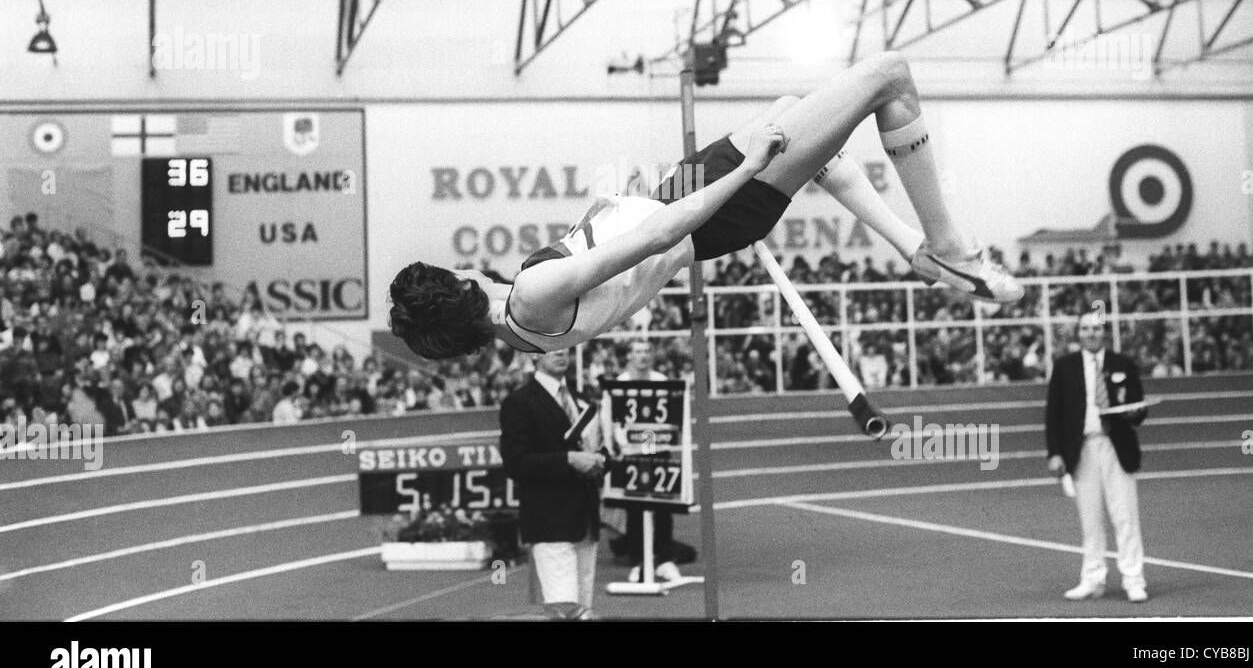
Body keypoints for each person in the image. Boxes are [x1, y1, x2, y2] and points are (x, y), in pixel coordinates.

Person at [390, 52, 1024, 388]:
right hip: (705, 212)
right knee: (890, 77)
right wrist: (746, 171)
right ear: (456, 284)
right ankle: (947, 248)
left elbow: (608, 251)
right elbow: (659, 238)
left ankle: (913, 247)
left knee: (791, 109)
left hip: (675, 190)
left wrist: (613, 202)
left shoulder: (522, 324)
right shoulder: (529, 297)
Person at [1045, 310, 1149, 603]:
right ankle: (1092, 578)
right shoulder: (1064, 367)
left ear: (1105, 332)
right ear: (1079, 333)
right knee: (1090, 519)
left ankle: (1133, 579)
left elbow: (1139, 409)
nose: (1091, 333)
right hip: (1082, 449)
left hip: (1117, 447)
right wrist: (1055, 453)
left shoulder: (1122, 364)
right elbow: (1053, 414)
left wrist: (1135, 412)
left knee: (1125, 516)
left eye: (1097, 328)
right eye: (1086, 329)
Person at [499, 348, 605, 620]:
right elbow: (515, 463)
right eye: (549, 348)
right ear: (533, 355)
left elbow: (600, 451)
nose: (560, 352)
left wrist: (600, 461)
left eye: (565, 347)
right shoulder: (519, 402)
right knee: (565, 609)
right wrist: (568, 459)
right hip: (549, 519)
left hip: (585, 520)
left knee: (583, 607)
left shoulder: (583, 402)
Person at [609, 339, 694, 572]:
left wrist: (651, 444)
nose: (643, 355)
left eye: (647, 351)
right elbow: (615, 422)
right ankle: (639, 561)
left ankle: (665, 559)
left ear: (653, 356)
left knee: (663, 510)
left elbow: (670, 419)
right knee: (635, 511)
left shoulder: (661, 381)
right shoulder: (620, 384)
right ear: (629, 356)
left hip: (659, 450)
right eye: (638, 351)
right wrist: (626, 445)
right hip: (631, 453)